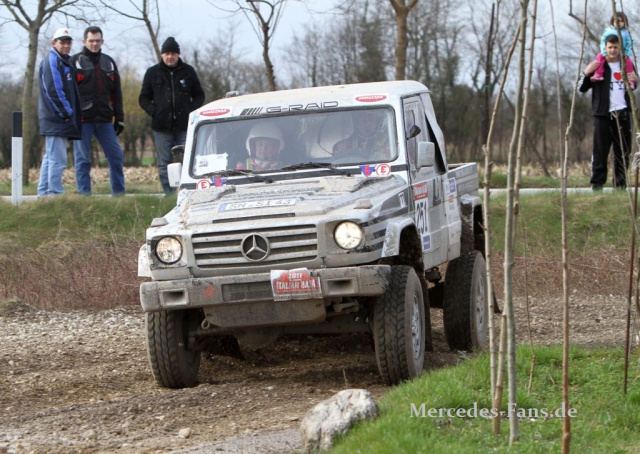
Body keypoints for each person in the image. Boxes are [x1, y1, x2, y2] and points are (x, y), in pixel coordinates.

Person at [139, 36, 205, 194]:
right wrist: (155, 112)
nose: (170, 56)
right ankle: (169, 194)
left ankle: (188, 192)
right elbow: (143, 98)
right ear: (162, 54)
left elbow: (199, 95)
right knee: (164, 164)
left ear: (178, 54)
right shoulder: (152, 73)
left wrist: (191, 111)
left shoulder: (188, 71)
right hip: (161, 127)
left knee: (189, 161)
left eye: (173, 53)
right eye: (167, 53)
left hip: (185, 127)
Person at [71, 26, 125, 196]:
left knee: (116, 156)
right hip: (82, 121)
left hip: (105, 120)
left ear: (102, 41)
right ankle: (85, 197)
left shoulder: (109, 62)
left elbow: (117, 92)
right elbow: (69, 93)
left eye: (98, 40)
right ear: (84, 41)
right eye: (91, 41)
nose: (94, 44)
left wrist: (119, 118)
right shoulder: (74, 62)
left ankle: (119, 195)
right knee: (82, 160)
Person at [579, 33, 639, 190]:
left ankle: (620, 186)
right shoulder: (598, 65)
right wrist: (586, 73)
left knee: (623, 153)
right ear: (605, 48)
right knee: (600, 152)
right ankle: (597, 185)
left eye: (615, 47)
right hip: (603, 114)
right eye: (610, 47)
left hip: (623, 114)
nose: (613, 50)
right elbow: (582, 88)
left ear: (620, 48)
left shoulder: (626, 64)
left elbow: (633, 85)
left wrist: (636, 80)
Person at [37, 27, 82, 198]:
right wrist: (67, 113)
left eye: (68, 42)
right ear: (54, 43)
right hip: (57, 118)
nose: (66, 45)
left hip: (56, 118)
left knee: (50, 156)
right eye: (62, 42)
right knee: (58, 158)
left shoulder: (64, 61)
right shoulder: (52, 61)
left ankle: (43, 193)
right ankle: (55, 192)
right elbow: (53, 90)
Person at [592, 12, 635, 88]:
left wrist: (627, 53)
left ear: (625, 23)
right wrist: (604, 51)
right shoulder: (608, 31)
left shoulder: (626, 33)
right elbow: (603, 42)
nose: (619, 23)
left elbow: (629, 44)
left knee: (628, 62)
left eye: (621, 21)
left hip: (622, 53)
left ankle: (630, 81)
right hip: (608, 52)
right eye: (617, 21)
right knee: (599, 57)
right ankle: (598, 74)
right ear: (612, 22)